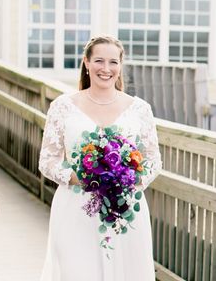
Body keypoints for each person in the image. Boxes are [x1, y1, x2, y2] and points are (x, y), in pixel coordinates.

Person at [39, 35, 161, 280]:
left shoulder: (140, 109)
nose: (106, 69)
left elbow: (153, 160)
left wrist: (128, 181)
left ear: (120, 66)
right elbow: (47, 160)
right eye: (99, 61)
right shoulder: (63, 107)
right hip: (76, 210)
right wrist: (79, 178)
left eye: (113, 62)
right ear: (86, 62)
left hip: (124, 210)